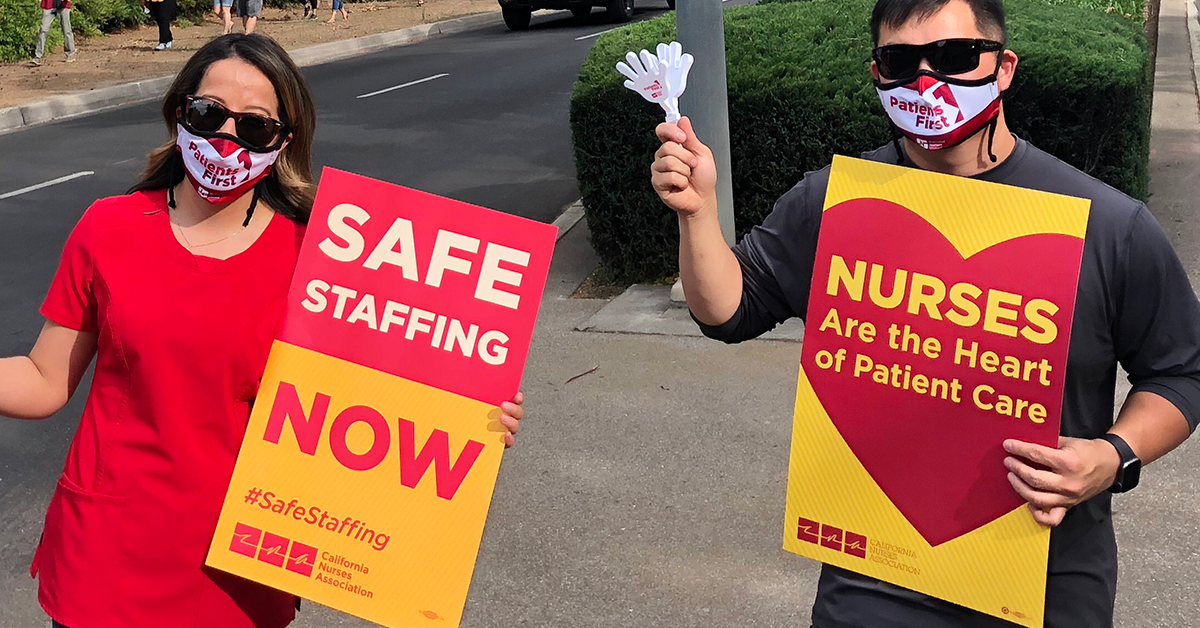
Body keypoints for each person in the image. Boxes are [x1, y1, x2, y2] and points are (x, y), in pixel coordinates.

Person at [650, 0, 1200, 627]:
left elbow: (1181, 372)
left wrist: (1112, 457)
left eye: (955, 56)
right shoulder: (835, 201)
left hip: (1042, 578)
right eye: (899, 61)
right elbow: (729, 309)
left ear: (1004, 68)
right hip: (871, 579)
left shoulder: (1107, 225)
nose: (926, 80)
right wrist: (697, 214)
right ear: (876, 73)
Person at [11, 33, 527, 628]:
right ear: (179, 111)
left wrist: (472, 418)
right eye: (208, 114)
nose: (227, 139)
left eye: (254, 127)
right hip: (103, 564)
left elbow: (381, 402)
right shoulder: (108, 228)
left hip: (238, 576)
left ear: (283, 140)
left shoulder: (327, 260)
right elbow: (45, 379)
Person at [31, 0, 75, 66]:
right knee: (43, 30)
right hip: (49, 6)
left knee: (67, 30)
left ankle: (70, 54)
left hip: (63, 6)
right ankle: (38, 56)